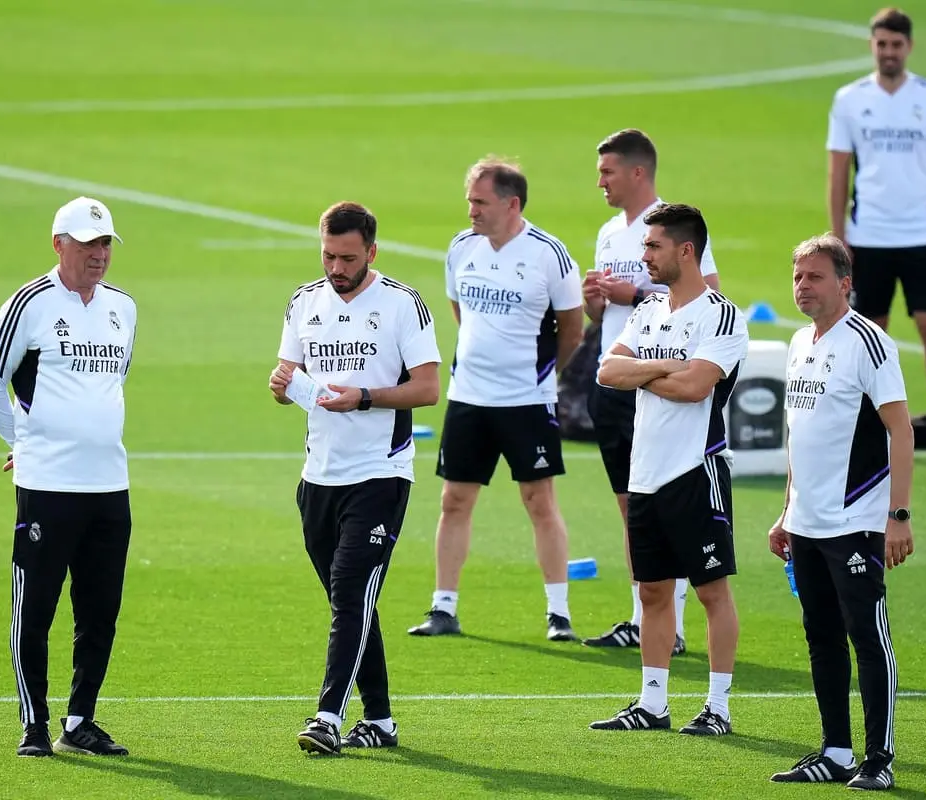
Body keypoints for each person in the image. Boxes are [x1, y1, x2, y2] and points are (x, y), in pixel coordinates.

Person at [269, 201, 441, 755]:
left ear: (371, 251)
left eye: (347, 258)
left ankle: (327, 718)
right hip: (318, 478)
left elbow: (427, 389)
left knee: (349, 595)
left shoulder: (402, 304)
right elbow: (291, 376)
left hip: (379, 476)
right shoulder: (304, 301)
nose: (336, 268)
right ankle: (381, 721)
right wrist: (283, 386)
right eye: (328, 256)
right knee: (353, 604)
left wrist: (364, 397)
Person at [0, 196, 137, 758]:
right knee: (35, 607)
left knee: (100, 612)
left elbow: (112, 384)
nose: (99, 254)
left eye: (105, 243)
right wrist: (21, 443)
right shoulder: (29, 303)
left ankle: (80, 720)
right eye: (88, 244)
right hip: (47, 485)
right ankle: (35, 723)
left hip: (110, 485)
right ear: (58, 245)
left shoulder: (124, 308)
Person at [406, 157, 586, 641]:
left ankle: (558, 614)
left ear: (512, 204)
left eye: (480, 202)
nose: (471, 211)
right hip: (469, 397)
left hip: (527, 401)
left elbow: (573, 330)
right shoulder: (461, 248)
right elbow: (459, 310)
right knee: (454, 500)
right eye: (470, 201)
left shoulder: (549, 254)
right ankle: (443, 608)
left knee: (539, 501)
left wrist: (541, 376)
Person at [589, 203, 747, 737]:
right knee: (652, 593)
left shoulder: (720, 315)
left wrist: (644, 373)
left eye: (653, 246)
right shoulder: (649, 309)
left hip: (694, 471)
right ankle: (652, 704)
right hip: (645, 473)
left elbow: (696, 386)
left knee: (711, 592)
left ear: (686, 250)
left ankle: (718, 708)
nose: (644, 256)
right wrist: (663, 366)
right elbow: (607, 370)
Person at [768, 234, 914, 791]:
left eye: (815, 277)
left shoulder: (869, 343)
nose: (802, 286)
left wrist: (898, 515)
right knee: (821, 636)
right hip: (806, 523)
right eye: (797, 276)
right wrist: (786, 512)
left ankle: (879, 760)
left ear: (845, 283)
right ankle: (834, 751)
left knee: (868, 638)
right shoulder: (798, 342)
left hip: (855, 521)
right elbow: (798, 436)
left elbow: (901, 430)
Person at [582, 128, 722, 657]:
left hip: (659, 384)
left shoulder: (674, 227)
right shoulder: (608, 232)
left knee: (668, 507)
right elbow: (603, 315)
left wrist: (635, 293)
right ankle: (644, 618)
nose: (600, 181)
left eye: (608, 171)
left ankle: (674, 625)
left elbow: (710, 295)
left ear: (637, 171)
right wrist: (596, 301)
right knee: (632, 506)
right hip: (615, 380)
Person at [826, 7, 926, 461]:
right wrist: (839, 237)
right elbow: (838, 172)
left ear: (909, 47)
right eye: (882, 44)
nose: (888, 52)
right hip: (867, 237)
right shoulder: (849, 100)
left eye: (896, 45)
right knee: (869, 334)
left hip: (921, 236)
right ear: (872, 45)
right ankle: (871, 429)